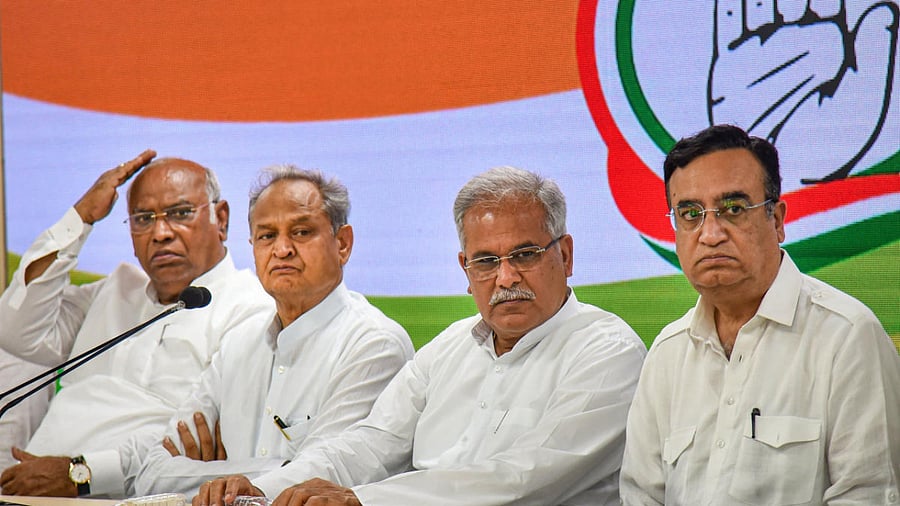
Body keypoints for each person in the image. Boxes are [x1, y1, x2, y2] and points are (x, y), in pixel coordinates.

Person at [198, 166, 647, 506]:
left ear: (565, 255)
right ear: (465, 271)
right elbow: (371, 443)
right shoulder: (450, 347)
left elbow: (523, 477)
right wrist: (264, 487)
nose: (506, 276)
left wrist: (363, 500)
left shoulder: (607, 349)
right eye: (486, 261)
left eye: (524, 254)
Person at [619, 124, 900, 504]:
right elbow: (640, 497)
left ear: (778, 219)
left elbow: (868, 495)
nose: (710, 233)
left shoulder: (846, 337)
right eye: (690, 214)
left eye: (733, 209)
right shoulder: (667, 354)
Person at [126, 165, 414, 497]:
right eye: (267, 235)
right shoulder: (237, 343)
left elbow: (326, 478)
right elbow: (151, 475)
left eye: (302, 232)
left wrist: (218, 480)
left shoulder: (374, 344)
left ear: (343, 244)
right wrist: (273, 469)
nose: (281, 250)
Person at [0, 153, 274, 498]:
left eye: (180, 214)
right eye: (143, 218)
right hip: (28, 491)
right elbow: (14, 330)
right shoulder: (113, 290)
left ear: (221, 219)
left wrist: (81, 474)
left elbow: (197, 440)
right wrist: (80, 218)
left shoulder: (252, 309)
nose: (160, 233)